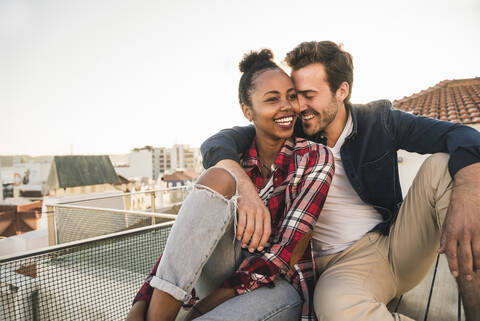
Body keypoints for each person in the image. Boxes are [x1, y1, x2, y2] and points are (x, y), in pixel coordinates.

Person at [200, 41, 480, 321]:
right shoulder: (289, 128)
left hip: (392, 245)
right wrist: (245, 189)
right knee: (334, 306)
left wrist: (469, 191)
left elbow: (462, 135)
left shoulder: (378, 121)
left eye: (309, 95)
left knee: (444, 167)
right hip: (335, 268)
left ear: (341, 91)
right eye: (297, 95)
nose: (300, 106)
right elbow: (217, 143)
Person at [126, 49, 334, 321]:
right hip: (219, 274)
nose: (287, 106)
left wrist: (199, 311)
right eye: (272, 99)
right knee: (218, 177)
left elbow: (283, 256)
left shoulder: (315, 157)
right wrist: (139, 304)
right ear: (248, 111)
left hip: (276, 285)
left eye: (291, 97)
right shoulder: (233, 158)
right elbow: (186, 243)